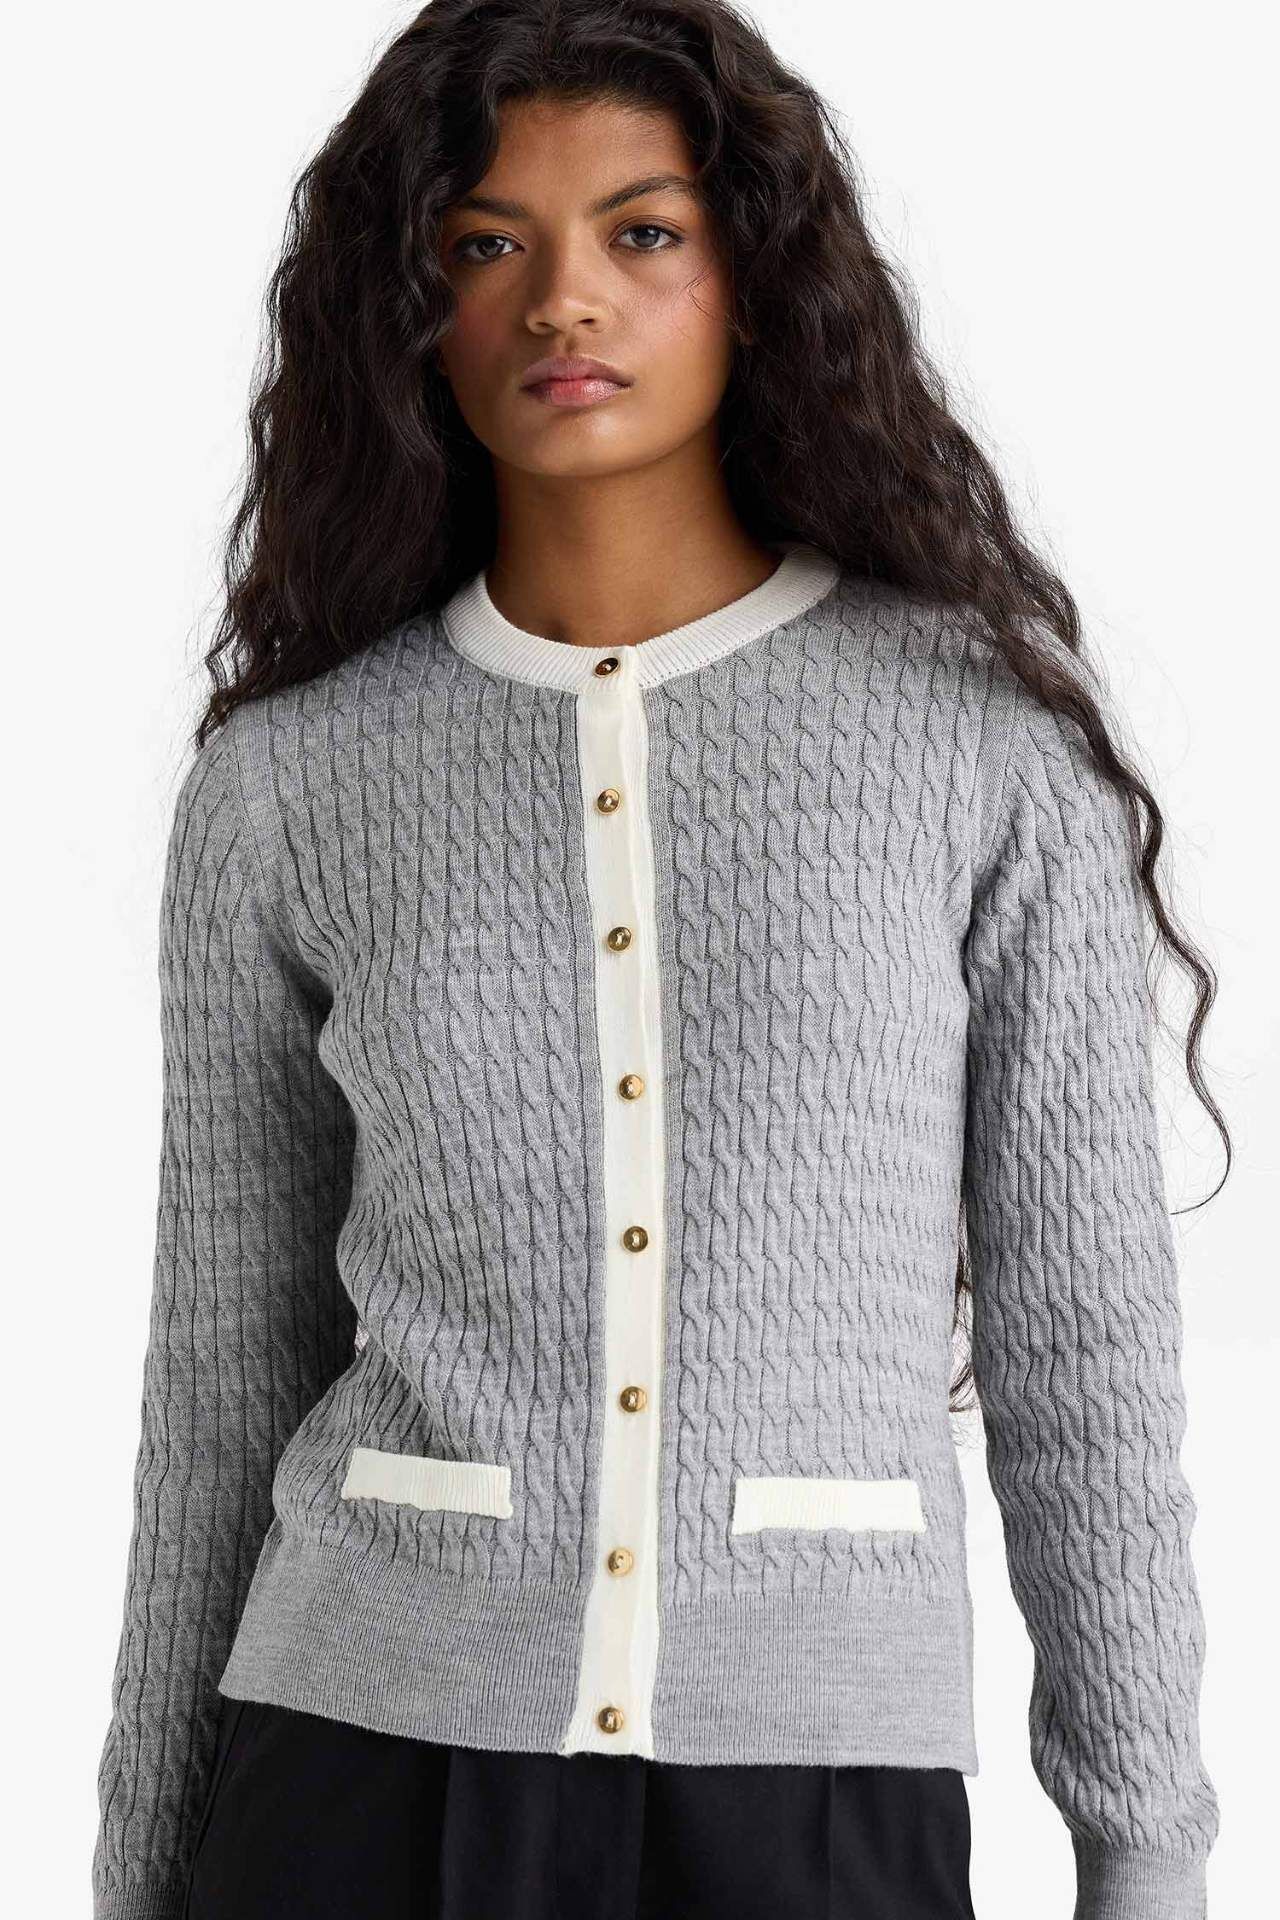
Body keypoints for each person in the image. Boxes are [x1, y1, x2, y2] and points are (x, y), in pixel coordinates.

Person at [91, 2, 1224, 1916]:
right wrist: (135, 1861)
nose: (562, 301)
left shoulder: (975, 752)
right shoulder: (294, 784)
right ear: (409, 307)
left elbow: (1082, 1347)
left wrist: (1147, 1848)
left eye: (643, 231)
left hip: (818, 1788)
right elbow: (221, 1368)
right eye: (487, 242)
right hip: (362, 1768)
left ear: (755, 278)